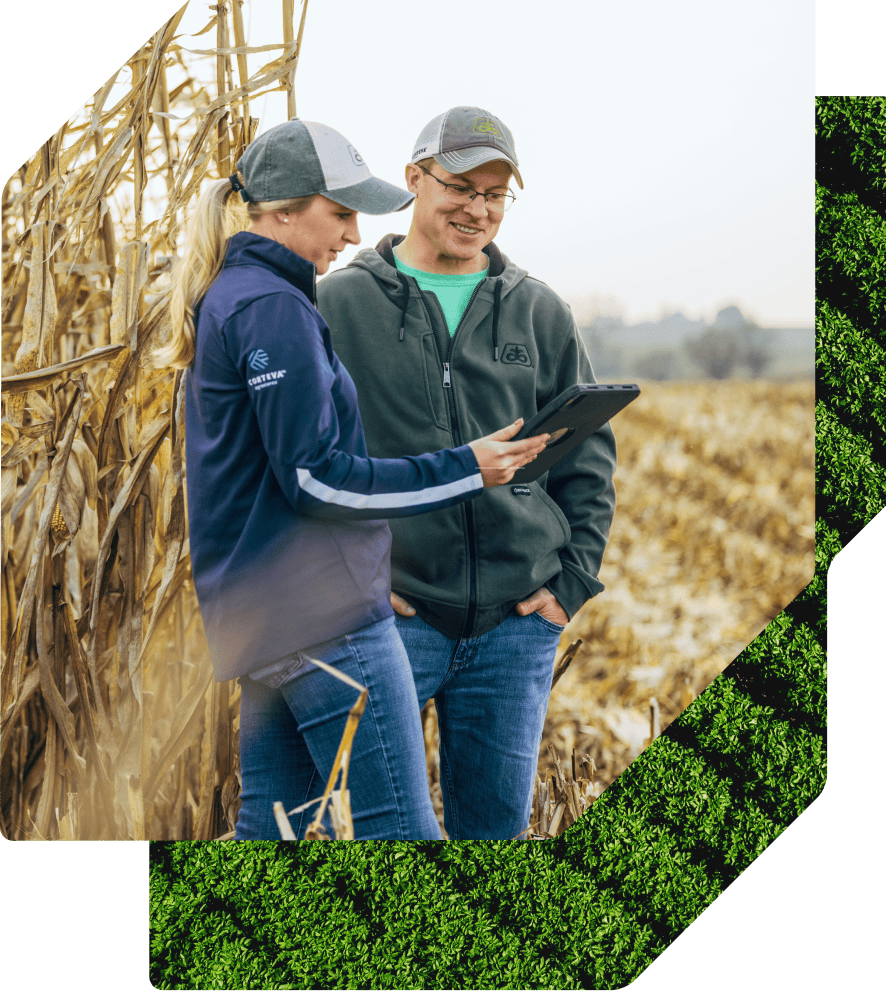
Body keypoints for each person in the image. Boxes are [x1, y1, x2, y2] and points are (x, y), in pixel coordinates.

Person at [153, 118, 548, 841]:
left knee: (273, 828)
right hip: (324, 619)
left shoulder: (236, 295)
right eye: (338, 212)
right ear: (280, 209)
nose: (353, 231)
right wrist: (467, 466)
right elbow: (315, 479)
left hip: (263, 619)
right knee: (401, 832)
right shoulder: (272, 306)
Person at [316, 107, 617, 840]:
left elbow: (587, 456)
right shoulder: (336, 304)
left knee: (496, 840)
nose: (477, 209)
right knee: (384, 832)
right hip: (391, 614)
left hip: (516, 625)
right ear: (414, 178)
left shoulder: (541, 311)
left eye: (495, 194)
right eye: (460, 186)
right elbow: (300, 459)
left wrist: (570, 581)